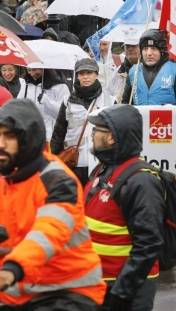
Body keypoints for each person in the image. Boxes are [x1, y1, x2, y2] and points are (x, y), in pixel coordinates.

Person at [0, 99, 106, 309]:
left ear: (28, 139)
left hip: (67, 293)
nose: (1, 144)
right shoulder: (6, 178)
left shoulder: (58, 181)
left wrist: (11, 268)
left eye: (10, 136)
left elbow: (48, 232)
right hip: (20, 291)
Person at [84, 104, 165, 310]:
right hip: (97, 283)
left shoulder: (141, 180)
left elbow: (149, 243)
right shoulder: (101, 169)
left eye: (97, 130)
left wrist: (123, 291)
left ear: (112, 138)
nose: (92, 135)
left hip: (125, 288)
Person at [50, 58, 114, 186]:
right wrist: (51, 161)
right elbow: (59, 132)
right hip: (73, 163)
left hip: (100, 163)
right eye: (81, 73)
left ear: (96, 74)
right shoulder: (67, 101)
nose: (85, 77)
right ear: (77, 75)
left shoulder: (110, 101)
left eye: (89, 73)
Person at [121, 29, 176, 106]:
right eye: (145, 49)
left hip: (167, 117)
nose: (149, 53)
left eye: (153, 49)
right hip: (141, 117)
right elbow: (126, 104)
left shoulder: (175, 70)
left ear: (162, 51)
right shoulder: (133, 71)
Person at [17, 68, 70, 141]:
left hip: (50, 137)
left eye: (35, 70)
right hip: (29, 138)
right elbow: (18, 108)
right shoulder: (25, 85)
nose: (32, 73)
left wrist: (46, 100)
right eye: (29, 70)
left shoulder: (60, 86)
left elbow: (65, 114)